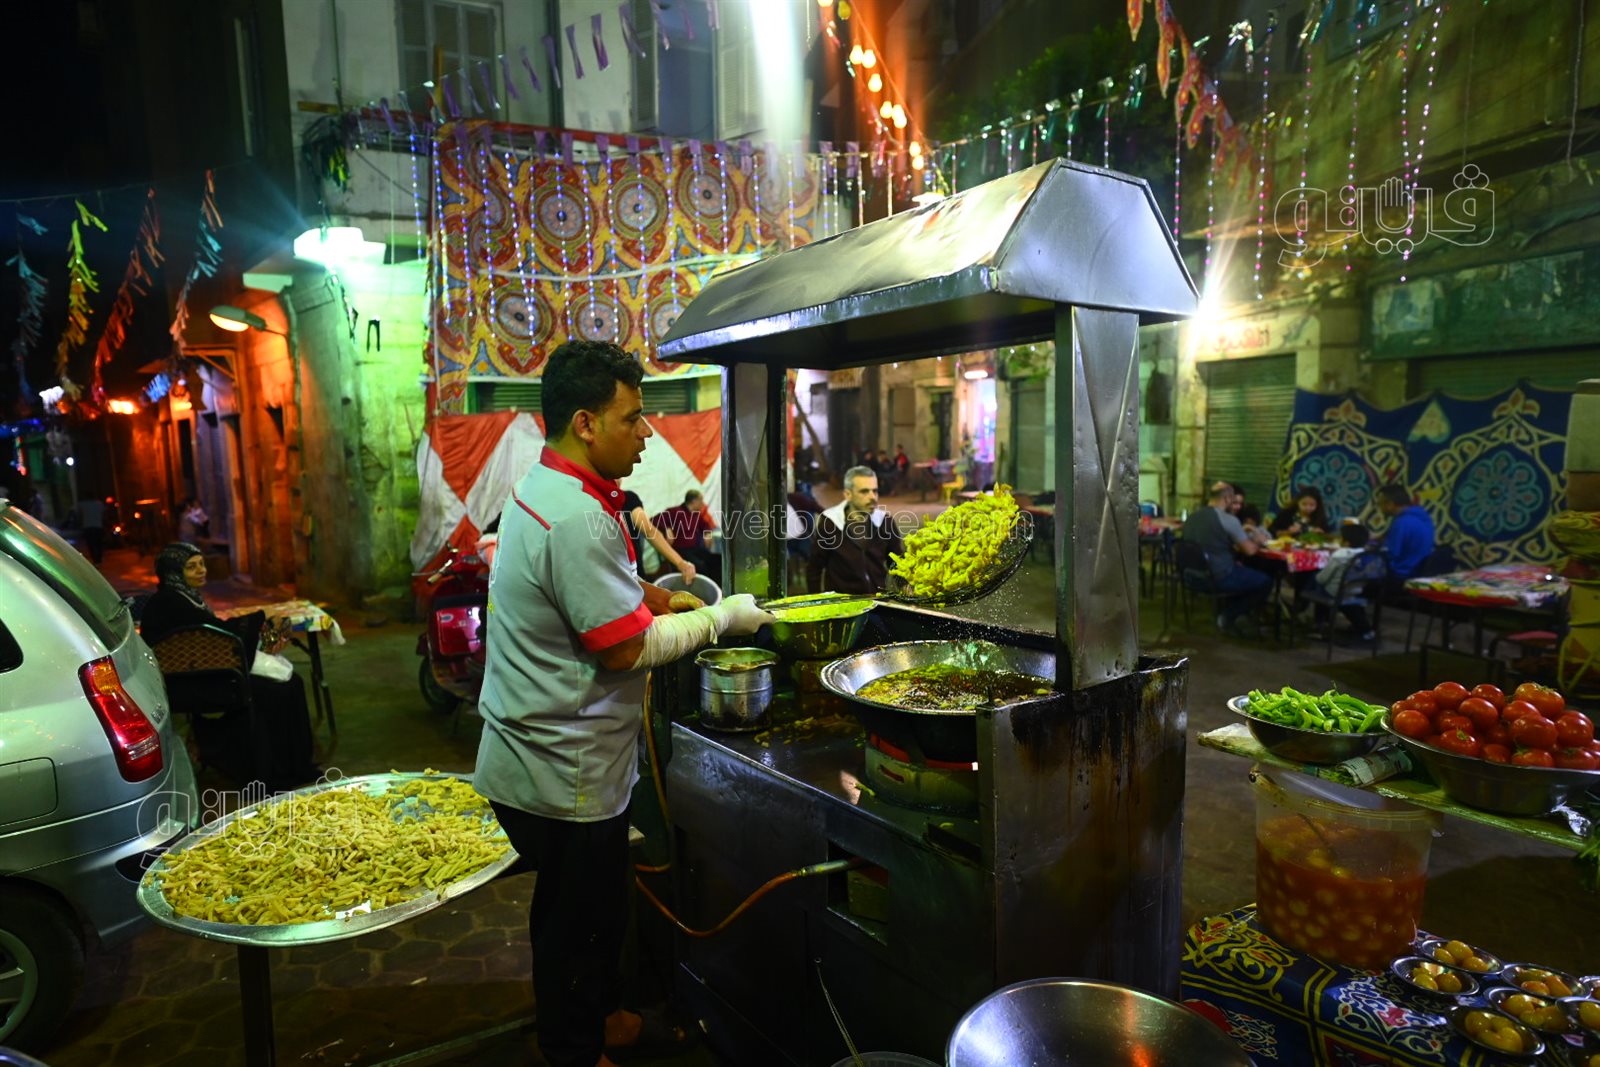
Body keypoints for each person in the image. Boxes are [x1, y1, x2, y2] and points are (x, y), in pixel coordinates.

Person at [472, 340, 772, 1067]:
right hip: (559, 770)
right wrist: (720, 617)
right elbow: (621, 650)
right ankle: (574, 1050)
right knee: (573, 922)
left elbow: (587, 591)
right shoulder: (577, 516)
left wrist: (650, 594)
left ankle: (602, 1016)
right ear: (585, 422)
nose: (647, 433)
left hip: (553, 757)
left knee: (599, 906)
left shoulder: (545, 489)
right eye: (634, 418)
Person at [139, 542, 318, 791]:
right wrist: (258, 617)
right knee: (278, 690)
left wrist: (252, 621)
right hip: (194, 682)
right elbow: (218, 635)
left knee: (289, 684)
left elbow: (213, 634)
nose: (201, 570)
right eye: (191, 567)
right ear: (174, 572)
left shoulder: (183, 597)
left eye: (201, 564)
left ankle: (291, 764)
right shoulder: (171, 602)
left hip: (206, 673)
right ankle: (273, 770)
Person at [1180, 482, 1272, 636]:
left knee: (1242, 571)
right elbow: (1249, 551)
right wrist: (1258, 541)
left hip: (1190, 577)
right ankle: (1228, 616)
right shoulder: (1229, 520)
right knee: (1265, 582)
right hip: (1217, 578)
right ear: (1228, 498)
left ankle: (1232, 613)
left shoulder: (1192, 517)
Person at [808, 465, 904, 595]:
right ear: (848, 494)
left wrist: (906, 592)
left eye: (874, 491)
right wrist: (815, 603)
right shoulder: (830, 522)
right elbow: (815, 567)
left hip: (878, 603)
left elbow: (898, 564)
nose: (872, 497)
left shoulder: (885, 522)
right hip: (841, 606)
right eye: (864, 491)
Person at [620, 488, 696, 583]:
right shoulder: (675, 511)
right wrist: (666, 527)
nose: (617, 479)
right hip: (614, 574)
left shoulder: (627, 498)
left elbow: (649, 530)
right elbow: (654, 523)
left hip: (634, 573)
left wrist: (681, 563)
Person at [652, 489, 719, 583]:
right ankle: (702, 592)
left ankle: (718, 590)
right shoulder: (675, 511)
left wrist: (707, 533)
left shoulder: (696, 515)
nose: (703, 504)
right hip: (681, 551)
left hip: (695, 549)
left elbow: (705, 525)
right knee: (700, 566)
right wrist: (667, 528)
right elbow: (654, 520)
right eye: (701, 501)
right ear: (694, 501)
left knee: (716, 560)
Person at [1375, 483, 1435, 580]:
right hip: (1416, 571)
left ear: (1390, 504)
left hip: (1401, 574)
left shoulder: (1401, 523)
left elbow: (1391, 553)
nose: (1380, 508)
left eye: (1380, 504)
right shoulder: (1424, 517)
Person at [77, 495, 107, 564]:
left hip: (87, 527)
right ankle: (99, 559)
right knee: (99, 544)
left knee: (91, 544)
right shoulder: (99, 504)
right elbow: (104, 514)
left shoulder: (82, 504)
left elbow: (79, 515)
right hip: (98, 526)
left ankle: (95, 560)